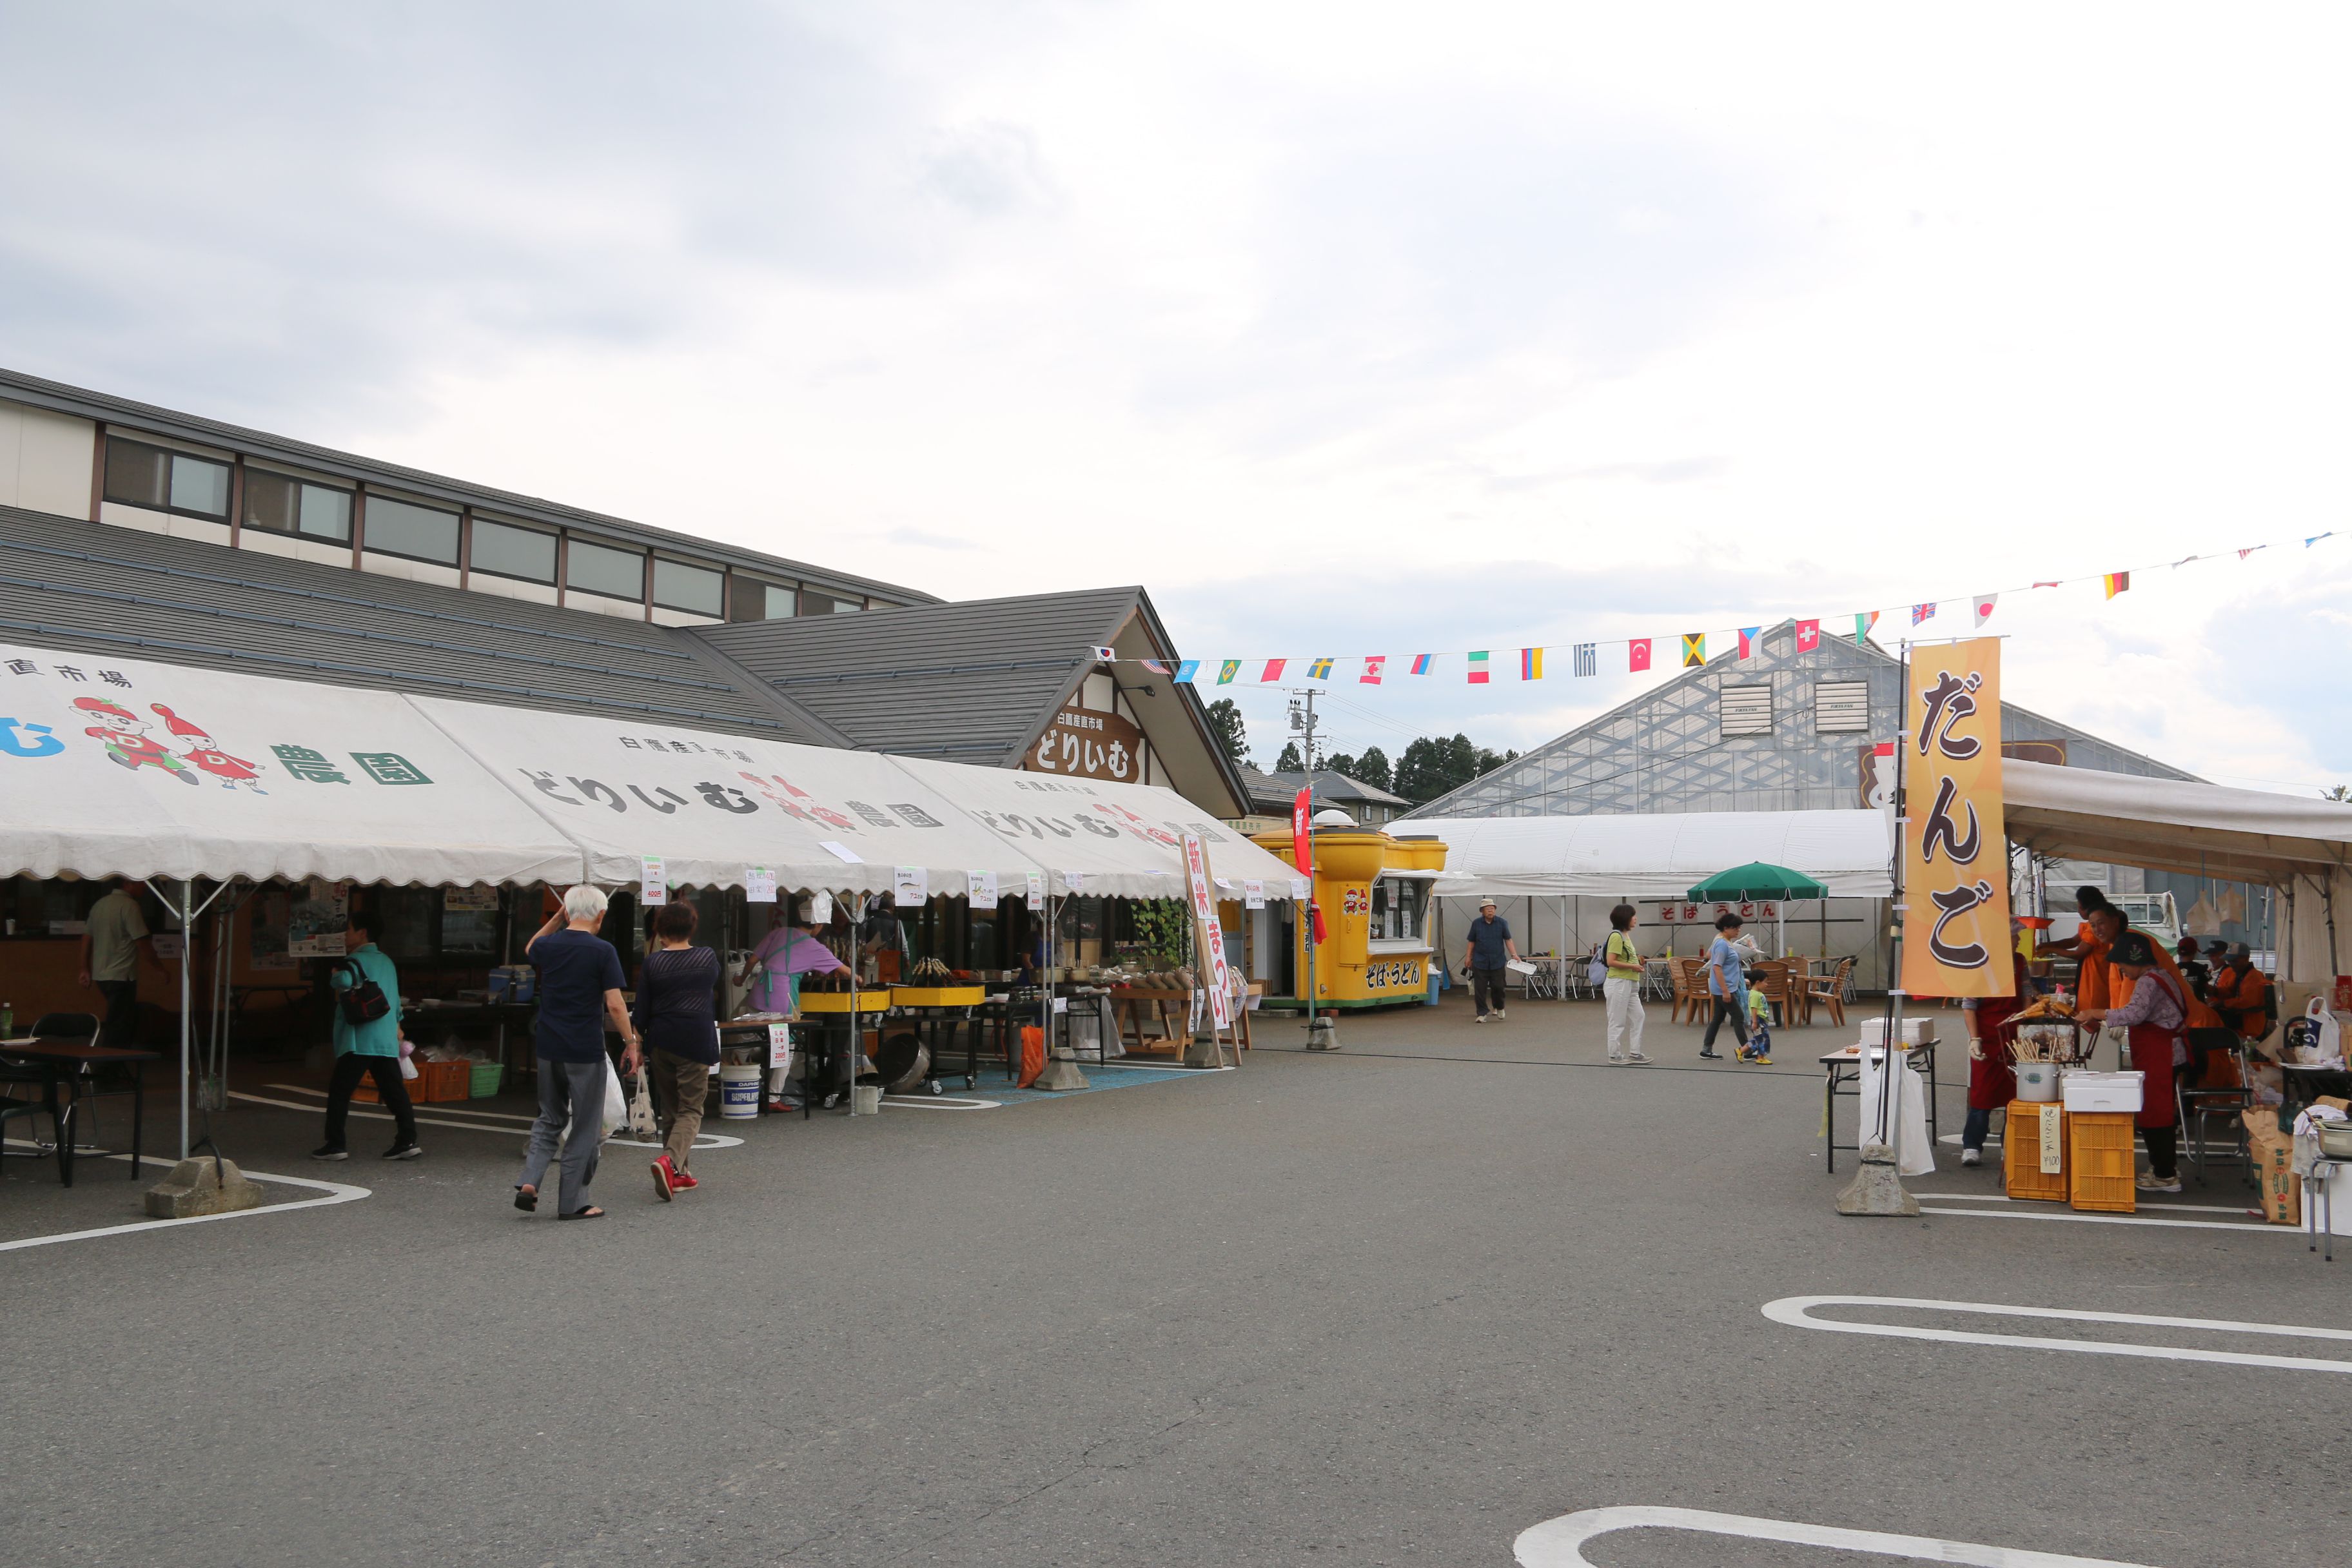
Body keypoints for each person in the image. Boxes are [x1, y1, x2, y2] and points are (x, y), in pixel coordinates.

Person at [516, 885, 641, 1220]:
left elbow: (531, 947)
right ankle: (573, 1202)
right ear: (601, 915)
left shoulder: (549, 945)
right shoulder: (602, 951)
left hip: (548, 1045)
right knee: (585, 1126)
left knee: (549, 1117)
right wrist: (631, 1042)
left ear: (568, 913)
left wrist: (558, 918)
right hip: (584, 1049)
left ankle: (530, 1181)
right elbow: (615, 1004)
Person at [2079, 930, 2188, 1194]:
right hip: (2166, 1051)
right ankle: (2164, 1166)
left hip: (2162, 1053)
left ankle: (2165, 1176)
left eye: (2123, 965)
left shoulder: (2150, 981)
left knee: (2155, 1113)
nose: (2122, 971)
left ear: (2135, 959)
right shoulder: (2161, 975)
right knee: (2158, 1111)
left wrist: (2096, 1012)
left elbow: (2135, 1013)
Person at [311, 901, 421, 1161]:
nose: (346, 935)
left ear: (362, 933)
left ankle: (336, 1145)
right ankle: (408, 1140)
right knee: (395, 1092)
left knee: (340, 1092)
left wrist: (335, 975)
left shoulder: (354, 961)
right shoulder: (387, 962)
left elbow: (343, 981)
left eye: (349, 929)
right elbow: (394, 1002)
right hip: (384, 1040)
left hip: (358, 1039)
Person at [638, 901, 720, 1201]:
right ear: (692, 927)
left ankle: (680, 1175)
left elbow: (642, 1011)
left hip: (661, 1040)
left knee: (672, 1109)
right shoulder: (706, 957)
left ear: (660, 930)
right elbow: (710, 983)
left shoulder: (652, 963)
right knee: (691, 1108)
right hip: (695, 1039)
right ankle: (670, 1161)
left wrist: (635, 1046)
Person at [1957, 937, 2033, 1167]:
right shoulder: (1981, 964)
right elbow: (1969, 1005)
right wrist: (1975, 1039)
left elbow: (2027, 993)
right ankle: (1972, 1145)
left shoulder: (2020, 961)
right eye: (2014, 937)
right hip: (1988, 1037)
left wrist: (2028, 1022)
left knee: (2015, 1093)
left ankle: (2008, 1145)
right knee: (1982, 1094)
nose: (2018, 941)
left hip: (2015, 1035)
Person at [78, 877, 157, 1046]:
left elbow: (86, 938)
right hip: (122, 975)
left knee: (117, 1018)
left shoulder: (100, 905)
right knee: (119, 1024)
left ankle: (112, 1062)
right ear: (127, 884)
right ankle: (110, 1064)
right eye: (140, 882)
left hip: (101, 974)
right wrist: (159, 968)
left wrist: (84, 968)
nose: (144, 886)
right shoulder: (130, 906)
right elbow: (142, 942)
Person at [1601, 903, 1649, 1064]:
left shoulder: (1625, 935)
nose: (1635, 919)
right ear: (1625, 918)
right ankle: (1614, 1055)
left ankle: (1635, 1052)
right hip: (1618, 982)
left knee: (1639, 1016)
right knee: (1617, 1020)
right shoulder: (1617, 936)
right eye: (1633, 916)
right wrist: (1633, 966)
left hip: (1630, 982)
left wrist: (1636, 962)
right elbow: (1611, 961)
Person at [1698, 912, 1750, 1059]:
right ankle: (1746, 1050)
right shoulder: (1721, 943)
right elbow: (1717, 967)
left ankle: (1706, 1049)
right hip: (1723, 987)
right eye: (1736, 928)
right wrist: (1725, 991)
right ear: (1726, 928)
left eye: (1739, 927)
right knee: (1738, 1016)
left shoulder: (1725, 942)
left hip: (1724, 986)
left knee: (1718, 1018)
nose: (1738, 930)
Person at [1460, 897, 1518, 1023]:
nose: (1490, 911)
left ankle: (1499, 1006)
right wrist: (1468, 957)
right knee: (1480, 990)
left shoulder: (1502, 923)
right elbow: (1472, 941)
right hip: (1480, 962)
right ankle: (1482, 1013)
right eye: (1488, 909)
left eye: (1492, 908)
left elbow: (1508, 939)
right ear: (1482, 911)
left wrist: (1514, 955)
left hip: (1497, 961)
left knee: (1498, 987)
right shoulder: (1476, 923)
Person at [2208, 943, 2271, 1043]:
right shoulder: (2239, 974)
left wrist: (2222, 1003)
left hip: (2249, 1028)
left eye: (2234, 961)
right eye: (2229, 960)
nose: (2230, 964)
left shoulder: (2254, 977)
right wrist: (2213, 991)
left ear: (2246, 958)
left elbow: (2247, 1002)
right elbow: (2229, 992)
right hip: (2240, 1025)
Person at [1740, 983, 1774, 1064]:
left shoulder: (1758, 993)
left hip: (1762, 1020)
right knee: (1762, 1040)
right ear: (1758, 982)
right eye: (1765, 982)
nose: (1766, 984)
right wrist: (1755, 1022)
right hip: (1758, 1020)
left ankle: (1741, 1051)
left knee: (1758, 1040)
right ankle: (1760, 1058)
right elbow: (1754, 1009)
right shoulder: (1755, 995)